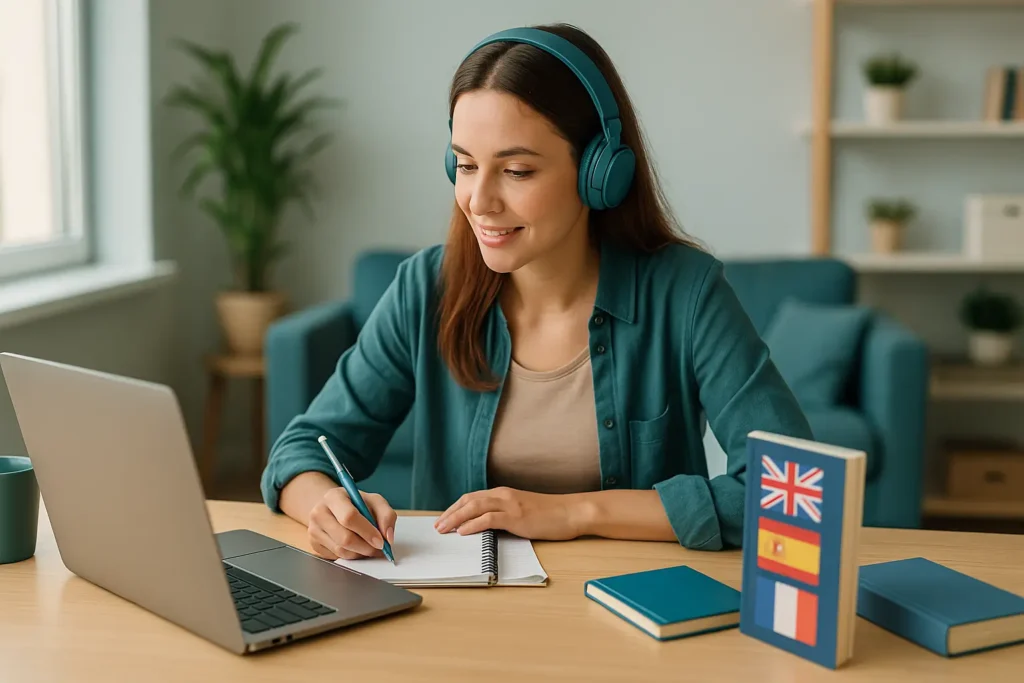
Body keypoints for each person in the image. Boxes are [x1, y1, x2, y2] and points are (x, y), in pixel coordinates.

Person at [260, 22, 813, 561]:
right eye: (467, 165)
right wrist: (325, 506)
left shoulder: (687, 293)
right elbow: (301, 451)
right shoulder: (425, 290)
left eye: (517, 170)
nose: (479, 200)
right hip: (458, 623)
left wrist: (572, 513)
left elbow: (791, 492)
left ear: (600, 172)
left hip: (634, 618)